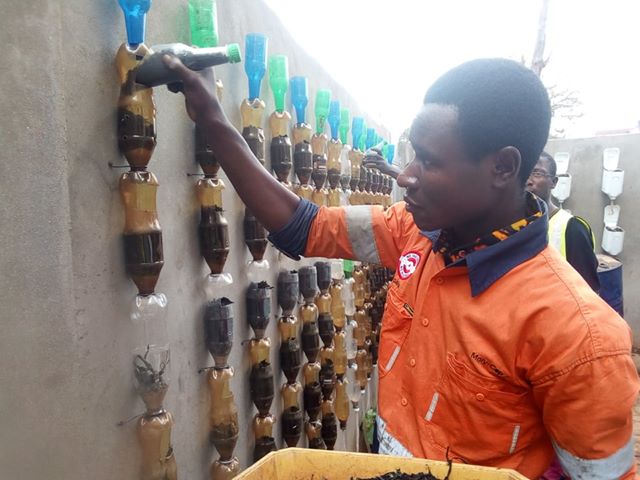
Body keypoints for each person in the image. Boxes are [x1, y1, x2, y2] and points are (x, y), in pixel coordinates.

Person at [163, 55, 639, 479]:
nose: (406, 176)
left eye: (428, 161)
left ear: (502, 167)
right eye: (412, 155)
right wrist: (213, 120)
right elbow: (302, 226)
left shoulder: (577, 334)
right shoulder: (415, 235)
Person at [526, 152, 600, 292]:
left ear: (554, 182)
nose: (528, 181)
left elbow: (588, 291)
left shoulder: (572, 228)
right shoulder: (513, 228)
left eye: (537, 173)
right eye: (525, 173)